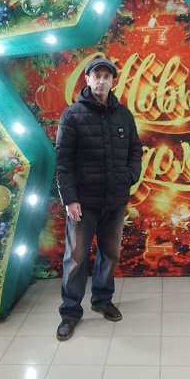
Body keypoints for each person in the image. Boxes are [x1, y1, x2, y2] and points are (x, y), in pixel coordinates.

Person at [55, 57, 142, 341]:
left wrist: (130, 175)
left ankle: (102, 299)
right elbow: (63, 162)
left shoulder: (124, 116)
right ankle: (70, 312)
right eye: (97, 76)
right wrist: (70, 199)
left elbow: (135, 149)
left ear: (113, 81)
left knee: (110, 253)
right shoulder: (72, 116)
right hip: (83, 203)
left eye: (107, 76)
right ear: (87, 79)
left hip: (115, 201)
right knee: (76, 258)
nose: (102, 81)